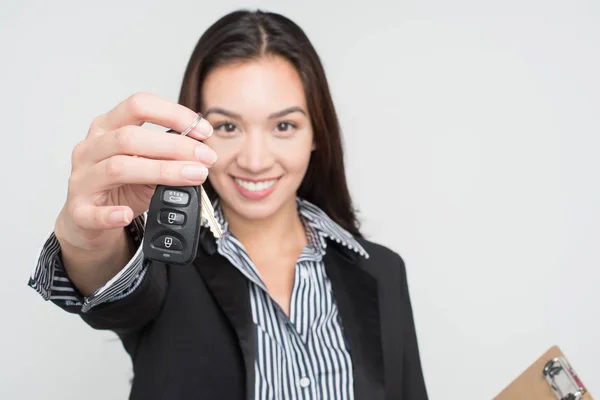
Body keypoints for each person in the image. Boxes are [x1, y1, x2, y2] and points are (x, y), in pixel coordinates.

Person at [28, 9, 428, 400]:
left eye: (283, 126)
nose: (255, 160)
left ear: (316, 134)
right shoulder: (165, 264)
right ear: (194, 136)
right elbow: (115, 289)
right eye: (227, 127)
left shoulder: (383, 272)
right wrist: (90, 241)